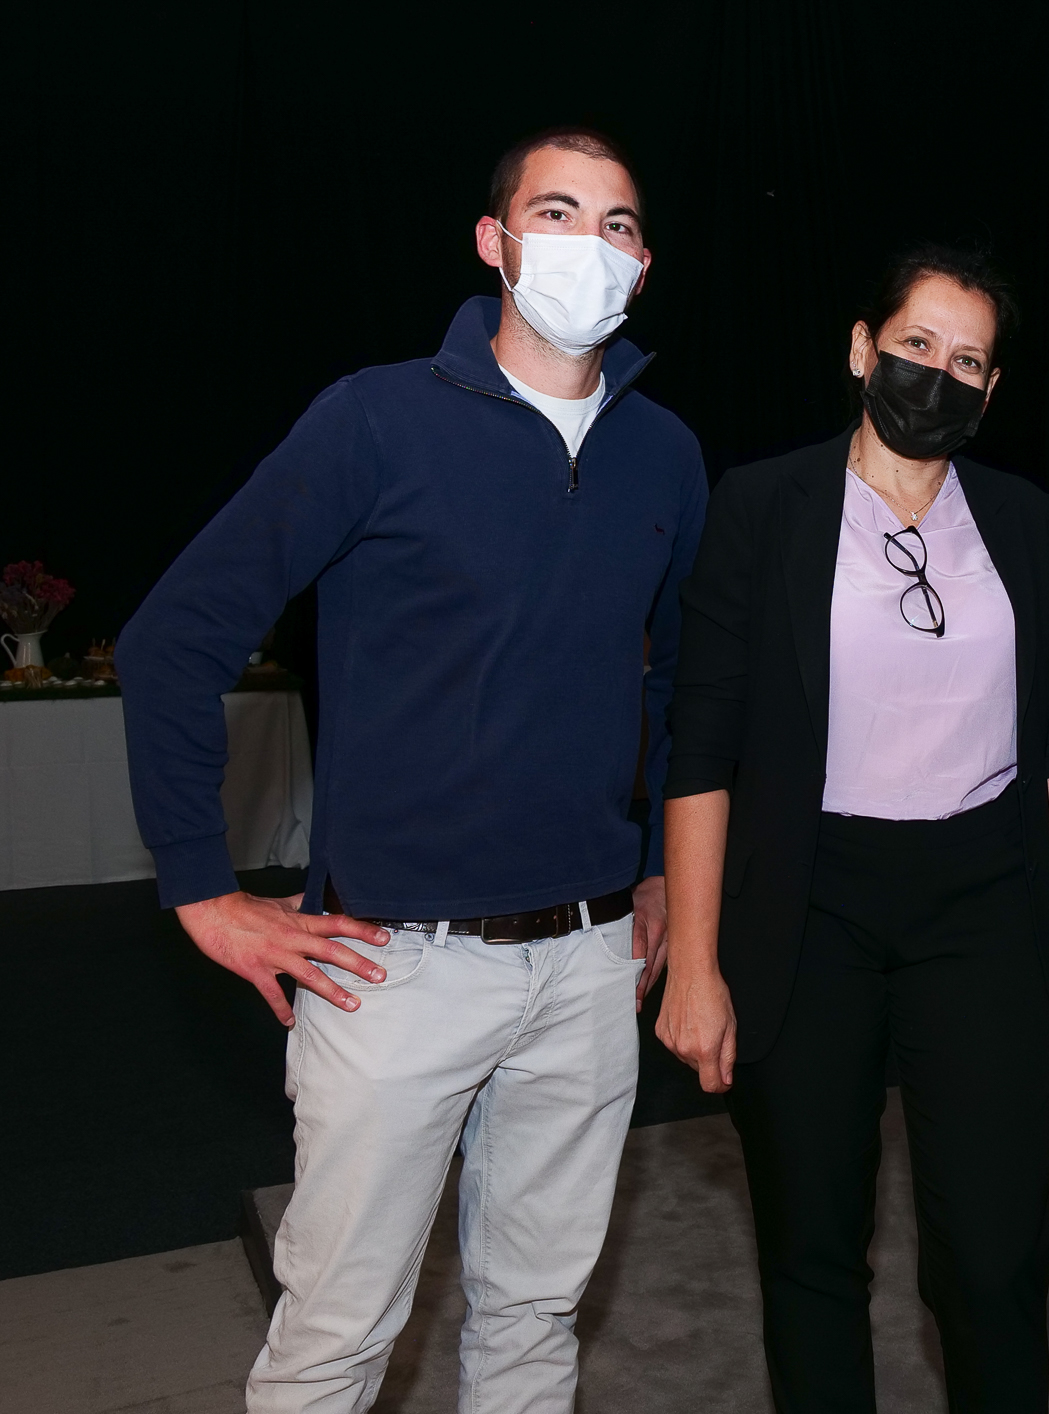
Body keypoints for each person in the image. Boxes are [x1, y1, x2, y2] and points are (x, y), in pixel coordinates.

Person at [117, 128, 706, 1413]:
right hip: (396, 966)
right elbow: (175, 639)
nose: (590, 244)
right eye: (557, 212)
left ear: (644, 263)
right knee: (335, 1339)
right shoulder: (375, 419)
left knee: (536, 1321)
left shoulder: (663, 452)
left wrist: (664, 871)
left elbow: (670, 684)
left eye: (616, 223)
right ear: (494, 242)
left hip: (589, 964)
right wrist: (201, 886)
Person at [655, 245, 1049, 1412]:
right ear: (862, 348)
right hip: (811, 904)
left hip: (985, 902)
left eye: (970, 361)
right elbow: (702, 748)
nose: (938, 375)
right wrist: (695, 962)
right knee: (812, 1244)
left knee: (996, 1254)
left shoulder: (1024, 518)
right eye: (917, 345)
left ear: (994, 389)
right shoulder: (763, 506)